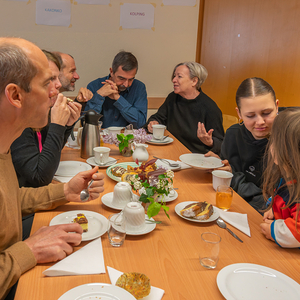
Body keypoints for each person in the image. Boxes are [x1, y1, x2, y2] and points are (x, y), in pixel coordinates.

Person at [0, 37, 105, 300]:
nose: (57, 90)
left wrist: (64, 192)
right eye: (48, 82)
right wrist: (29, 250)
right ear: (15, 95)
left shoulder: (4, 148)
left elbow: (11, 199)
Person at [11, 50, 82, 188]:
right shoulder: (18, 120)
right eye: (50, 79)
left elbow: (48, 154)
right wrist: (57, 126)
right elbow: (40, 177)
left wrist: (66, 126)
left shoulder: (35, 115)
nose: (59, 84)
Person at [209, 77, 279, 212]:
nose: (260, 122)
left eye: (266, 113)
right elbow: (227, 181)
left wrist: (234, 178)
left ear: (277, 106)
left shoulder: (290, 138)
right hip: (237, 206)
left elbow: (276, 202)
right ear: (239, 113)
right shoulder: (233, 135)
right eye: (250, 115)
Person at [146, 62, 224, 154]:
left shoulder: (209, 107)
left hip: (197, 158)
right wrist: (153, 123)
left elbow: (221, 143)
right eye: (174, 76)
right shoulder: (173, 98)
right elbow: (158, 117)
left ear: (194, 81)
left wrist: (210, 142)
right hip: (172, 151)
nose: (174, 80)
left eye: (179, 76)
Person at [260, 108, 300, 248]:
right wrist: (274, 208)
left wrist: (273, 231)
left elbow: (296, 232)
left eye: (274, 141)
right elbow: (283, 199)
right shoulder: (288, 176)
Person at [84, 51, 148, 128]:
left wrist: (119, 99)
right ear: (111, 72)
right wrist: (99, 96)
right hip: (100, 138)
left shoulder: (139, 88)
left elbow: (140, 123)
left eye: (131, 79)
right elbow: (87, 123)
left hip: (128, 138)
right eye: (121, 78)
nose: (126, 84)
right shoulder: (94, 86)